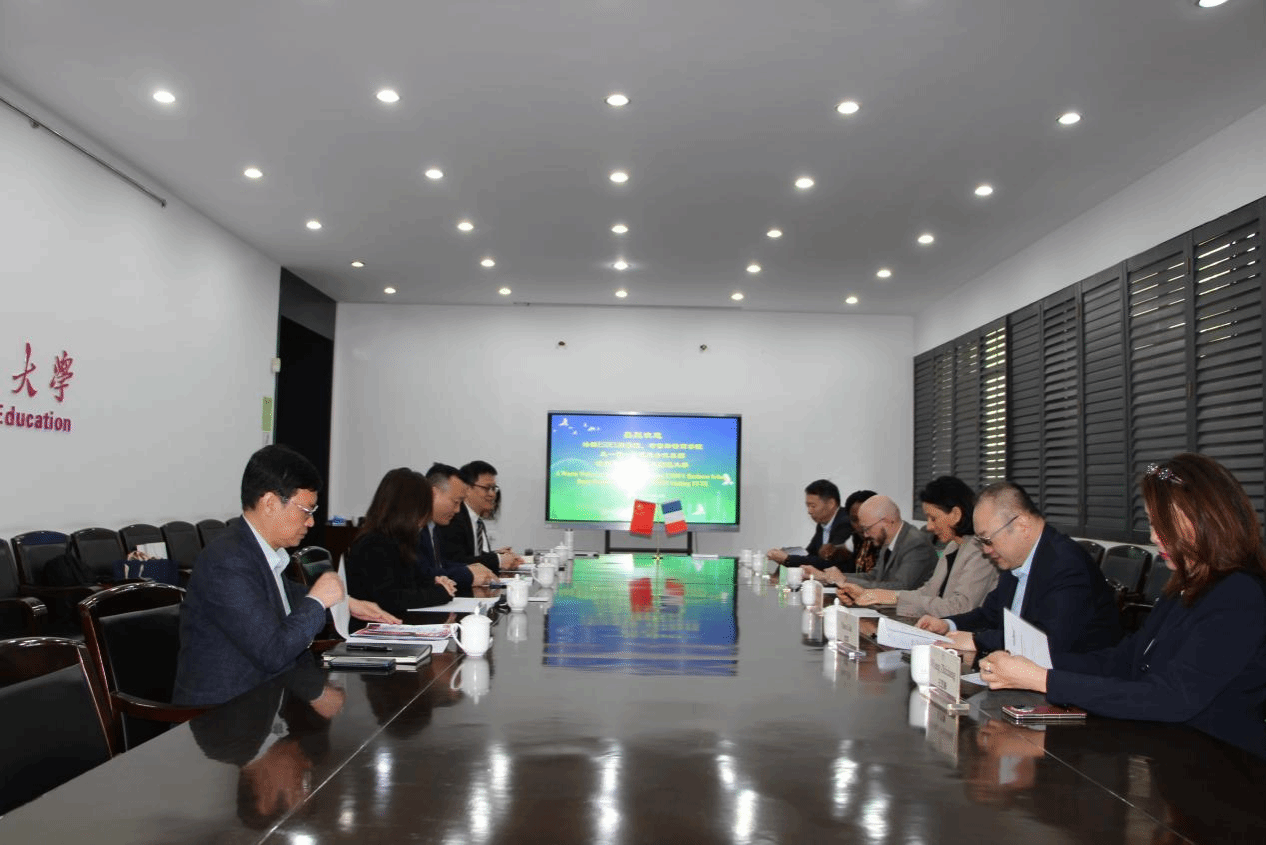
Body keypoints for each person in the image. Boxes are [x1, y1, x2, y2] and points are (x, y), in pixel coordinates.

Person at [979, 454, 1266, 758]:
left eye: (1163, 524)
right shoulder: (1184, 585)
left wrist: (1043, 679)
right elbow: (1125, 661)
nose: (1154, 537)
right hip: (1171, 749)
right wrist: (1036, 664)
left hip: (1222, 765)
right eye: (1152, 524)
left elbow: (1171, 697)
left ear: (1206, 520)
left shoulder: (1239, 595)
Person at [174, 445, 399, 707]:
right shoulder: (227, 561)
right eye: (306, 511)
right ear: (270, 503)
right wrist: (318, 600)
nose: (311, 522)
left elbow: (284, 596)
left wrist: (344, 603)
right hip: (222, 715)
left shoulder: (258, 552)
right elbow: (273, 652)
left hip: (268, 700)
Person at [916, 481, 1120, 655]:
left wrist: (977, 641)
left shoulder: (1066, 564)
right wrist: (948, 624)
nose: (986, 550)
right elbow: (989, 615)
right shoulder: (1014, 560)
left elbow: (1045, 641)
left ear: (1022, 525)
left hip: (1073, 681)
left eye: (987, 539)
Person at [834, 476, 998, 617]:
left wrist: (889, 597)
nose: (929, 527)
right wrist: (872, 595)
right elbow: (928, 591)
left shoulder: (980, 550)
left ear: (955, 514)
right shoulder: (953, 546)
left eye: (933, 518)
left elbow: (959, 607)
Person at [345, 468, 457, 624]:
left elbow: (411, 583)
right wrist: (440, 593)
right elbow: (391, 599)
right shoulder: (374, 544)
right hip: (375, 629)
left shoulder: (400, 541)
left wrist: (436, 583)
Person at [816, 494, 936, 591]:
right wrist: (834, 577)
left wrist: (843, 580)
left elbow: (900, 587)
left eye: (867, 528)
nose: (866, 535)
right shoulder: (888, 539)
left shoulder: (916, 543)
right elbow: (874, 576)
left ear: (886, 521)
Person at [435, 460, 523, 573]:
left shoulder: (476, 521)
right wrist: (498, 560)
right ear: (467, 489)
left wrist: (497, 555)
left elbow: (473, 556)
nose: (492, 494)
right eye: (487, 488)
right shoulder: (453, 517)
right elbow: (456, 561)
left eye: (494, 488)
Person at [418, 463, 496, 587]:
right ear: (434, 494)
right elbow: (423, 575)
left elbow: (441, 564)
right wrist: (468, 574)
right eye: (455, 502)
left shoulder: (433, 527)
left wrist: (471, 568)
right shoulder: (414, 529)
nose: (457, 510)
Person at [765, 480, 852, 571]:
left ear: (831, 504)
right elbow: (810, 554)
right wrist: (786, 555)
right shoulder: (823, 523)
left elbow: (831, 563)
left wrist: (788, 558)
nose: (809, 511)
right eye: (808, 506)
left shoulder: (845, 522)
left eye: (813, 506)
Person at [818, 488, 879, 573]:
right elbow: (845, 550)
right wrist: (832, 549)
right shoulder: (858, 537)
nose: (861, 525)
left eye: (866, 517)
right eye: (855, 519)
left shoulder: (889, 542)